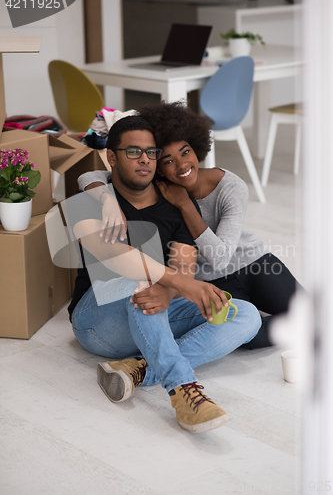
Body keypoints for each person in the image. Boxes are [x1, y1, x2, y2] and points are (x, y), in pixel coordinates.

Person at [68, 115, 261, 434]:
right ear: (112, 157)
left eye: (151, 152)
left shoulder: (175, 201)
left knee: (246, 315)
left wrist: (173, 287)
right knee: (139, 278)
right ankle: (184, 390)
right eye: (133, 152)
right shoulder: (90, 201)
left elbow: (183, 264)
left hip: (151, 312)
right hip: (98, 323)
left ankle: (139, 368)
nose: (145, 159)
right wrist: (179, 283)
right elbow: (113, 255)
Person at [78, 102, 301, 350]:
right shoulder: (159, 190)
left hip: (254, 264)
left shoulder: (230, 187)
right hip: (206, 282)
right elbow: (92, 176)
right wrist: (105, 198)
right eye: (169, 161)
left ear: (196, 148)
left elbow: (220, 258)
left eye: (185, 152)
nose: (182, 165)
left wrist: (186, 205)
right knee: (239, 332)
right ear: (158, 167)